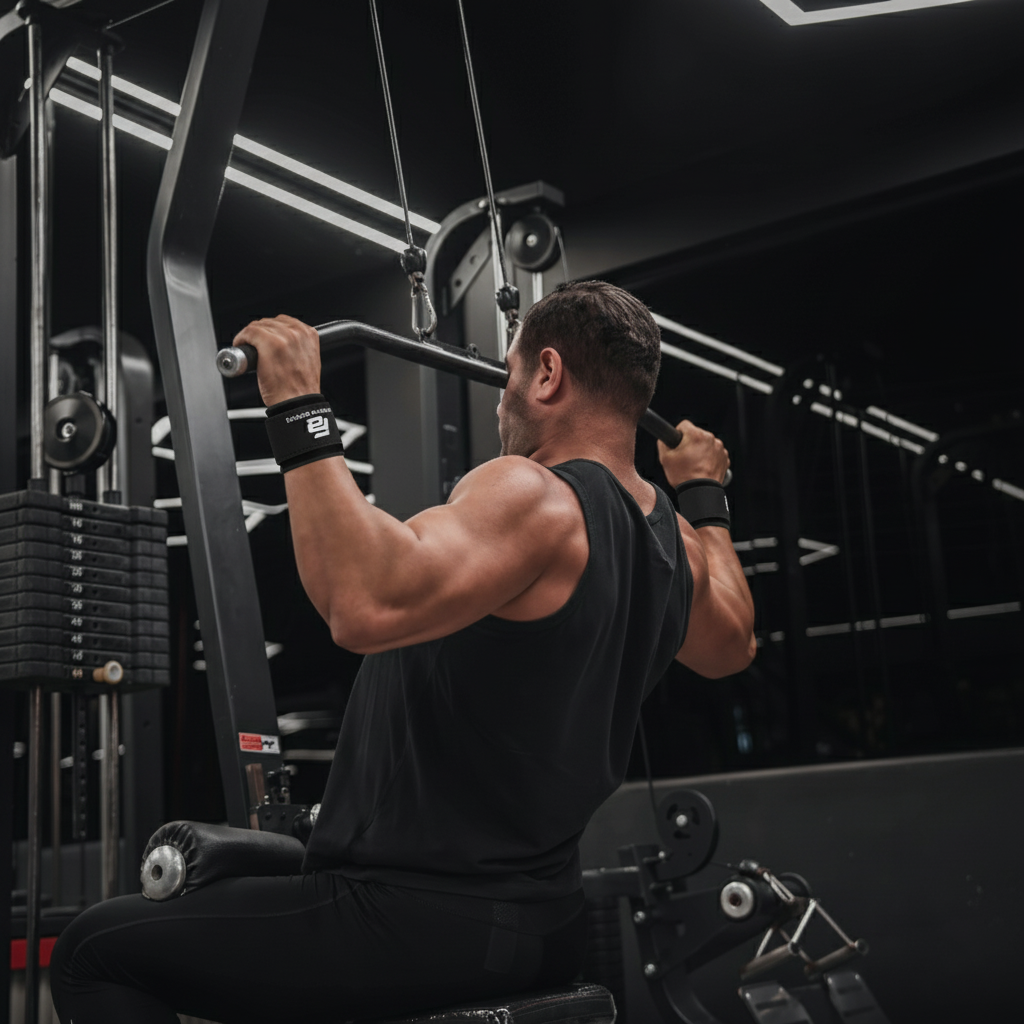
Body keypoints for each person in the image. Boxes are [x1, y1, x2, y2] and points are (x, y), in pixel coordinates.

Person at [50, 281, 755, 1024]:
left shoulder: (536, 494)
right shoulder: (673, 542)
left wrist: (296, 402)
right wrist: (703, 495)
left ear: (548, 375)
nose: (500, 399)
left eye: (510, 375)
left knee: (96, 950)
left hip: (410, 921)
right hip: (544, 923)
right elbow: (732, 644)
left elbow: (362, 602)